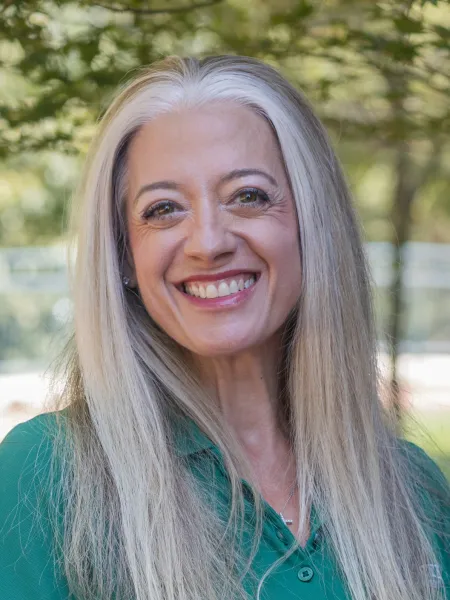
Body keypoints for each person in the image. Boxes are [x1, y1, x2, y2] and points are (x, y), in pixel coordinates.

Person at [1, 55, 449, 600]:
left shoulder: (414, 489)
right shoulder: (46, 477)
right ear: (123, 255)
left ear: (313, 223)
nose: (209, 241)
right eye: (164, 209)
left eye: (249, 196)